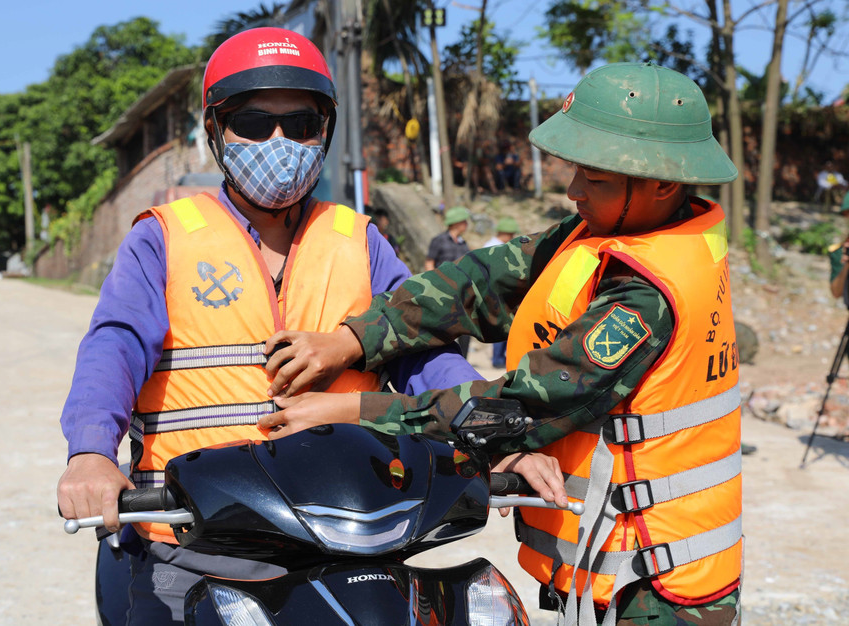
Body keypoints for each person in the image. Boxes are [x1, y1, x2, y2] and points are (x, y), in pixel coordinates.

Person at [260, 63, 743, 625]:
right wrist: (352, 341)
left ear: (663, 184)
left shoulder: (643, 302)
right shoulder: (599, 234)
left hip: (656, 584)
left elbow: (514, 409)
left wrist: (354, 409)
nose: (573, 191)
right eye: (575, 171)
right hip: (616, 567)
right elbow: (476, 283)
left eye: (597, 179)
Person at [55, 27, 480, 624]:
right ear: (215, 133)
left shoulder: (359, 241)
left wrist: (490, 429)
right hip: (193, 539)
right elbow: (115, 346)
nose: (280, 141)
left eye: (301, 125)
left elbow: (424, 351)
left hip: (351, 535)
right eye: (254, 124)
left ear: (324, 132)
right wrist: (91, 452)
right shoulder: (165, 237)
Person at [426, 205, 472, 357]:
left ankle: (463, 358)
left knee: (466, 327)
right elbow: (430, 263)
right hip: (442, 290)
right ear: (456, 222)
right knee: (444, 326)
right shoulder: (438, 241)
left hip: (461, 292)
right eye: (464, 221)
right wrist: (433, 285)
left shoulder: (463, 244)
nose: (466, 224)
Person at [483, 217, 520, 368]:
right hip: (494, 292)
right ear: (505, 233)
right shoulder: (493, 247)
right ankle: (497, 359)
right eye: (511, 234)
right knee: (500, 326)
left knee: (507, 326)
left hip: (503, 292)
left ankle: (502, 357)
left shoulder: (500, 246)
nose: (512, 237)